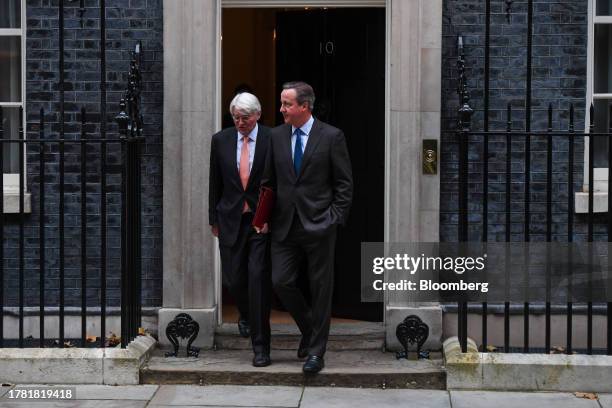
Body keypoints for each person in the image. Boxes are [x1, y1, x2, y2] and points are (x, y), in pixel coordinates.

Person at [259, 81, 353, 374]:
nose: (282, 109)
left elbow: (344, 185)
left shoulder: (331, 136)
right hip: (284, 225)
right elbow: (268, 182)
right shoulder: (275, 136)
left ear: (304, 106)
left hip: (319, 225)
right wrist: (262, 218)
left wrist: (333, 219)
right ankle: (312, 329)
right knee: (281, 281)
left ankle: (316, 352)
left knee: (320, 288)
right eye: (282, 104)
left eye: (287, 104)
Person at [209, 92, 272, 367]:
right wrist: (214, 219)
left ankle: (261, 348)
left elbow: (278, 182)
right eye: (236, 117)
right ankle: (245, 315)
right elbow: (215, 181)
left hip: (260, 222)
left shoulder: (273, 138)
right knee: (234, 280)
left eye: (245, 117)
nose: (240, 122)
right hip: (230, 220)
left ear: (257, 115)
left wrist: (271, 216)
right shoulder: (220, 140)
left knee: (258, 280)